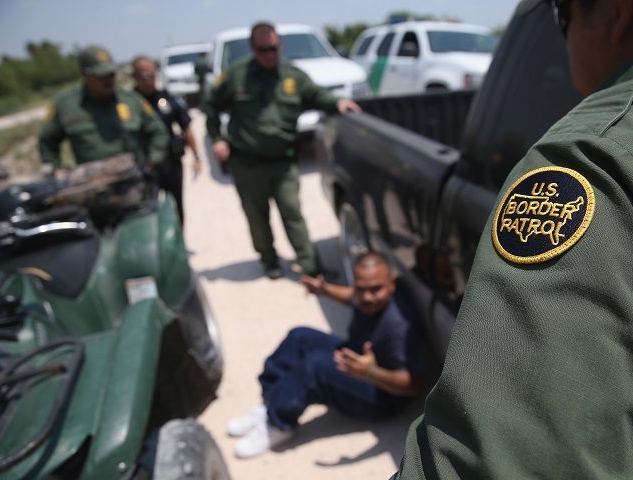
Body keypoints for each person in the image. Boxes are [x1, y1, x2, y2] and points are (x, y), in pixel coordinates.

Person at [393, 0, 633, 478]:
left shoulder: (589, 155)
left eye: (562, 18)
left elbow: (500, 462)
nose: (563, 41)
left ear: (616, 12)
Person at [202, 21, 361, 279]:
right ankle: (270, 260)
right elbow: (209, 104)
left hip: (282, 161)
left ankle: (310, 267)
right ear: (254, 49)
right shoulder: (236, 75)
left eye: (275, 48)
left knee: (292, 212)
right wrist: (216, 138)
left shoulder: (292, 76)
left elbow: (317, 95)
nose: (270, 55)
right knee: (257, 218)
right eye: (264, 50)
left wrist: (338, 103)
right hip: (246, 162)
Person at [227, 251, 424, 458]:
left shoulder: (399, 326)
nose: (367, 297)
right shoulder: (369, 296)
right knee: (299, 337)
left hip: (381, 395)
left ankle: (279, 423)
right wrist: (325, 290)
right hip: (358, 358)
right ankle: (270, 403)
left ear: (392, 284)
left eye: (375, 290)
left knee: (315, 367)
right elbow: (353, 297)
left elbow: (414, 385)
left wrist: (371, 372)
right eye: (361, 289)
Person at [39, 45, 169, 172]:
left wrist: (153, 160)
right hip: (93, 186)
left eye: (111, 75)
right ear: (83, 74)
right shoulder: (66, 105)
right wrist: (56, 171)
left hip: (135, 181)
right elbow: (47, 141)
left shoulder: (132, 100)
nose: (108, 81)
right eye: (101, 76)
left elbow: (159, 131)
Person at [132, 55, 202, 226]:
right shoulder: (130, 103)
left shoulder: (167, 99)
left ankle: (178, 245)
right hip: (144, 166)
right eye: (144, 76)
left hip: (170, 162)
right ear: (135, 77)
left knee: (177, 204)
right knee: (147, 208)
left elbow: (186, 127)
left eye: (152, 74)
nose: (149, 80)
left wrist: (196, 156)